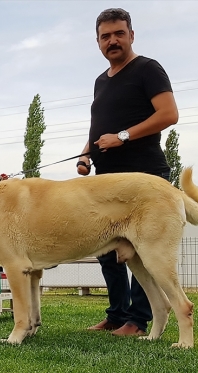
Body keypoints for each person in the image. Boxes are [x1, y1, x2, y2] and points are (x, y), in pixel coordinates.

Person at [77, 8, 178, 336]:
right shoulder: (99, 82)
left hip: (144, 179)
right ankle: (118, 315)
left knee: (145, 253)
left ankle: (138, 320)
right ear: (97, 42)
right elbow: (98, 127)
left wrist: (122, 137)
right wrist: (86, 153)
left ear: (131, 35)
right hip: (106, 181)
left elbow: (169, 114)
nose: (113, 41)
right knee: (107, 252)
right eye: (105, 36)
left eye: (119, 33)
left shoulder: (148, 69)